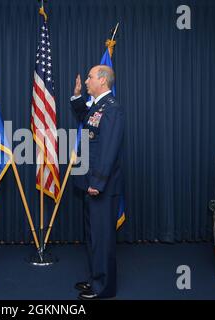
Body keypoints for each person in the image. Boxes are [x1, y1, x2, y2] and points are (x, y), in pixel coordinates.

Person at [70, 65, 124, 300]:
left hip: (101, 185)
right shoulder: (99, 106)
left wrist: (98, 182)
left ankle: (104, 288)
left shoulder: (112, 109)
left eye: (90, 77)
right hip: (90, 181)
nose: (87, 80)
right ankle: (95, 279)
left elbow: (108, 149)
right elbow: (87, 120)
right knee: (93, 236)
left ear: (102, 80)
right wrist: (77, 96)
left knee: (102, 239)